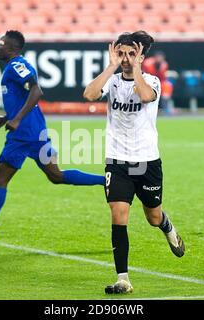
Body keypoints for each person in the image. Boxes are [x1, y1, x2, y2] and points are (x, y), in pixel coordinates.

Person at [0, 30, 105, 244]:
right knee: (56, 175)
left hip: (23, 135)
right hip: (36, 130)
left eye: (1, 44)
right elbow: (25, 97)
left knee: (1, 178)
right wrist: (7, 117)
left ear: (12, 48)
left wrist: (16, 120)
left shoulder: (17, 65)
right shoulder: (14, 66)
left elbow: (37, 91)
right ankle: (106, 181)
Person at [83, 31, 185, 294]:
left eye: (131, 54)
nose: (126, 58)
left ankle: (167, 225)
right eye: (122, 53)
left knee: (152, 216)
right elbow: (90, 94)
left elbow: (145, 97)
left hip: (147, 162)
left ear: (141, 56)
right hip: (117, 161)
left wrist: (137, 68)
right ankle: (123, 278)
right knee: (119, 215)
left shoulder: (152, 81)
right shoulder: (113, 81)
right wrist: (111, 66)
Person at [142, 51, 176, 115]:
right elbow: (143, 75)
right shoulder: (147, 63)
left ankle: (167, 110)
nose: (159, 59)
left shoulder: (164, 64)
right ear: (155, 57)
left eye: (161, 58)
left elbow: (163, 78)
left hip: (160, 82)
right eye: (158, 57)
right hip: (148, 81)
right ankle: (145, 110)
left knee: (168, 85)